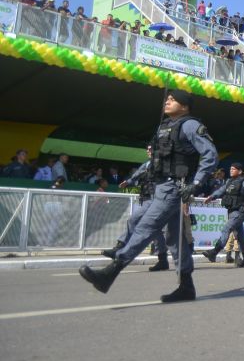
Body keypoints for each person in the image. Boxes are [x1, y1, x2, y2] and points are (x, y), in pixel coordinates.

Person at [79, 89, 218, 302]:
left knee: (145, 226)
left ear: (185, 105)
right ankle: (186, 287)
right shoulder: (164, 126)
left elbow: (210, 154)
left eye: (174, 99)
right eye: (168, 99)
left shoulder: (189, 125)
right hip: (161, 187)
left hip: (173, 188)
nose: (168, 101)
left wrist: (196, 183)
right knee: (174, 238)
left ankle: (109, 273)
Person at [102, 147, 170, 272]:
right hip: (149, 197)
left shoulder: (163, 163)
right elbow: (138, 173)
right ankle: (163, 260)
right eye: (148, 149)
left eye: (151, 149)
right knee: (156, 230)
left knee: (133, 220)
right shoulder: (148, 163)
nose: (148, 151)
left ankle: (119, 247)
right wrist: (128, 182)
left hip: (156, 199)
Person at [200, 162, 244, 268]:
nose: (231, 170)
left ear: (240, 171)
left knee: (226, 228)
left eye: (234, 169)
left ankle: (214, 252)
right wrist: (211, 197)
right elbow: (221, 191)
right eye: (230, 168)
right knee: (240, 236)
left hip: (241, 212)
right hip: (232, 211)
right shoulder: (229, 181)